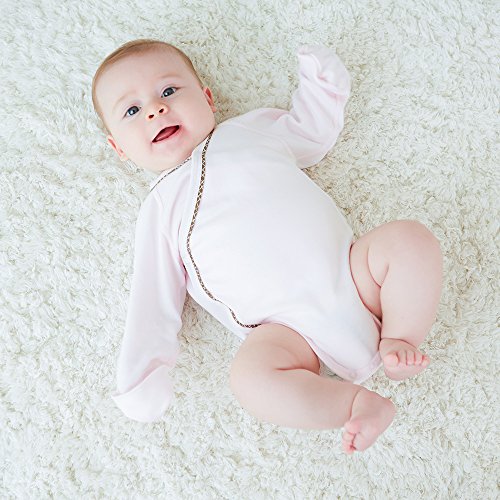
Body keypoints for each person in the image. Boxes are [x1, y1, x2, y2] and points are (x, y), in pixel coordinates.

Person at [91, 39, 443, 454]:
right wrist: (142, 375)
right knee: (250, 379)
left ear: (207, 99)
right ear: (119, 148)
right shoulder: (159, 209)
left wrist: (322, 83)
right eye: (132, 111)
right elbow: (152, 297)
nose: (156, 109)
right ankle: (354, 405)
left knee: (408, 239)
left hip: (353, 273)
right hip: (284, 332)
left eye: (169, 91)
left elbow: (310, 132)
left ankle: (401, 337)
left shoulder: (248, 131)